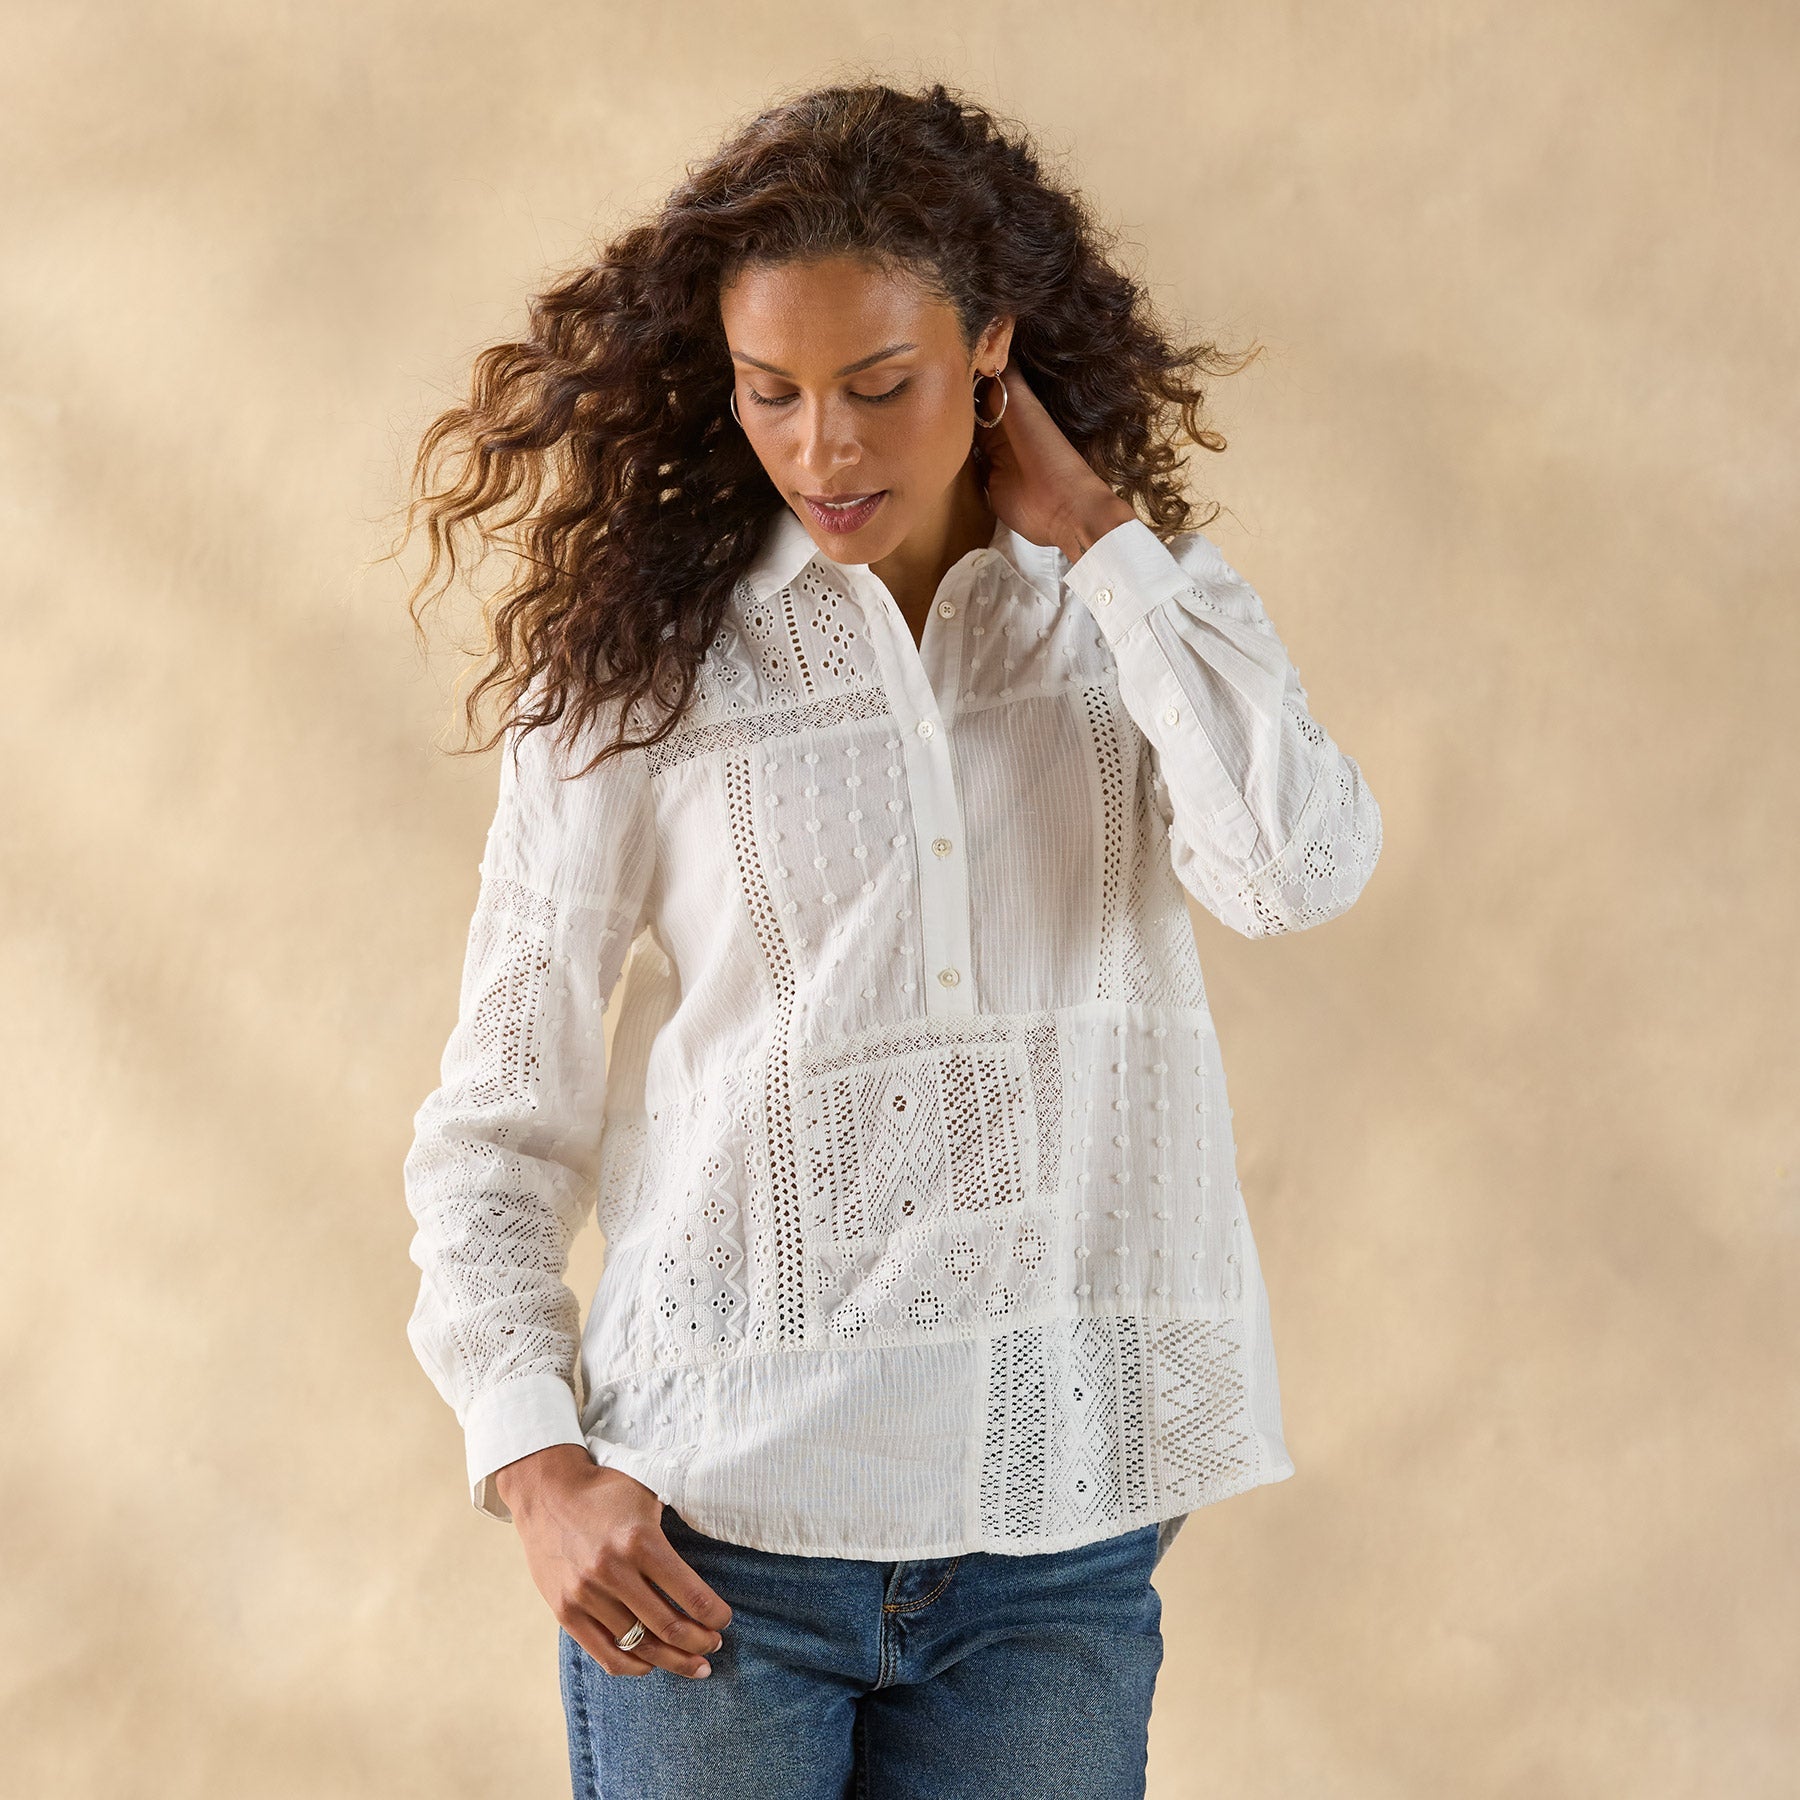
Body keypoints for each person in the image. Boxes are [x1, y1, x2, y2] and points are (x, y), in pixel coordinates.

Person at [398, 78, 1381, 1800]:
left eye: (879, 385)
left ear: (991, 352)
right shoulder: (645, 671)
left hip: (1053, 1550)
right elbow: (500, 1113)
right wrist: (536, 1466)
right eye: (771, 391)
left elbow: (1295, 871)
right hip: (713, 1544)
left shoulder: (1130, 622)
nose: (824, 450)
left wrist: (1101, 544)